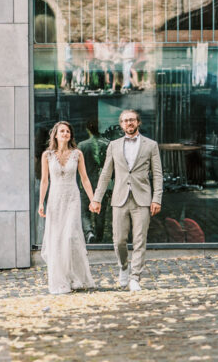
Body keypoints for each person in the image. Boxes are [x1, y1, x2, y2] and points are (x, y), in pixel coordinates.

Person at [90, 109, 162, 292]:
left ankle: (135, 277)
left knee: (139, 240)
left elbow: (158, 175)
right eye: (125, 121)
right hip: (119, 198)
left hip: (142, 199)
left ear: (138, 122)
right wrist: (96, 198)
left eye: (132, 120)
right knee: (119, 240)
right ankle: (123, 266)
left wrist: (157, 199)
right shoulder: (113, 145)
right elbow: (106, 173)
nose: (129, 123)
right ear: (121, 125)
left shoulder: (151, 145)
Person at [38, 121, 96, 294]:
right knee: (56, 239)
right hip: (55, 200)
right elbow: (44, 181)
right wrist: (41, 203)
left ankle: (76, 277)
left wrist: (93, 200)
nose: (65, 134)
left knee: (70, 237)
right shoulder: (47, 155)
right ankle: (60, 280)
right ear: (55, 135)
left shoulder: (77, 154)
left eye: (68, 131)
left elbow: (84, 178)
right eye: (62, 131)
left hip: (72, 198)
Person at [77, 119, 110, 243]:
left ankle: (89, 232)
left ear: (87, 129)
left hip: (86, 183)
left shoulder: (82, 145)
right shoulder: (107, 144)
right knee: (100, 211)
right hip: (103, 182)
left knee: (84, 210)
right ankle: (99, 236)